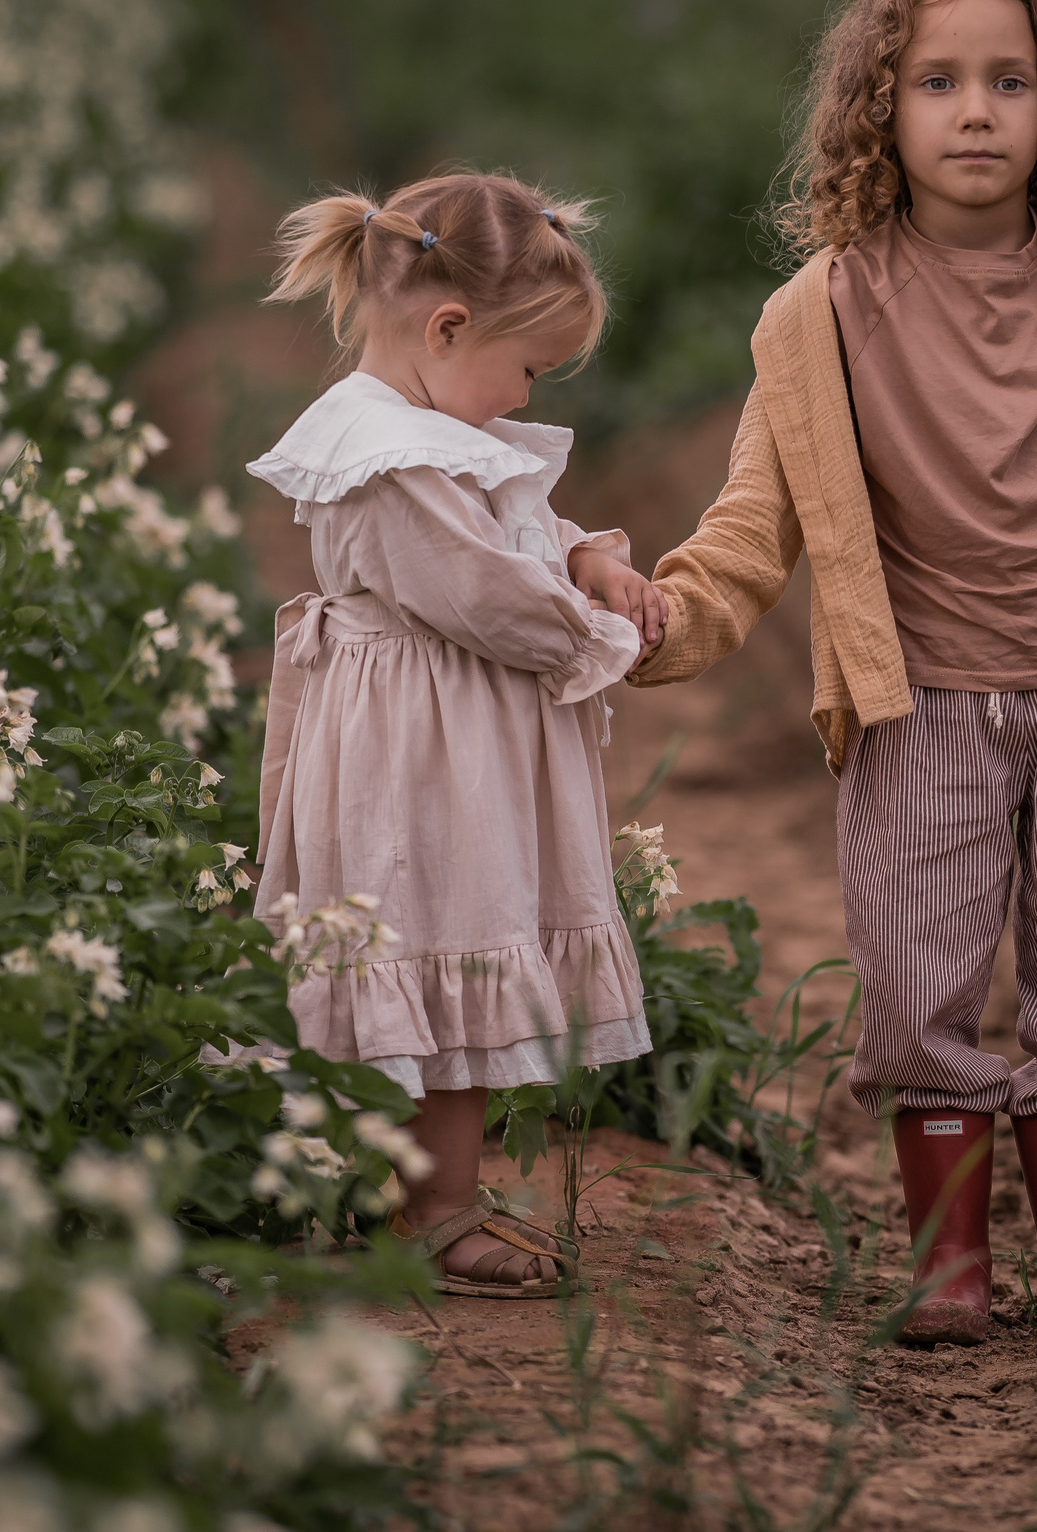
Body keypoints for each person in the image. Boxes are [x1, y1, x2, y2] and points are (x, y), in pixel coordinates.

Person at [628, 0, 1037, 1342]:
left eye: (1009, 82)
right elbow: (759, 513)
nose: (974, 112)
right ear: (879, 112)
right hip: (922, 707)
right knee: (921, 987)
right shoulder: (821, 311)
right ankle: (949, 1267)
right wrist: (658, 617)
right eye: (937, 81)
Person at [247, 171, 668, 1297]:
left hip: (447, 740)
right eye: (527, 369)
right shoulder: (384, 455)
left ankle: (415, 1193)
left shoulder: (427, 431)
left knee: (446, 946)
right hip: (418, 758)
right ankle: (418, 1205)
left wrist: (586, 552)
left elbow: (515, 524)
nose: (524, 395)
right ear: (447, 326)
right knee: (435, 934)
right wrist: (600, 632)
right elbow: (485, 590)